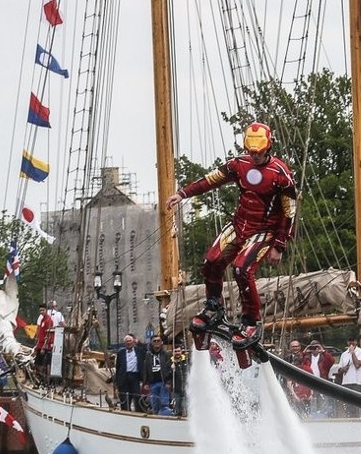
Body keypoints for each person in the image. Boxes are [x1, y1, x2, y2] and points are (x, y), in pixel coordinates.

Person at [166, 122, 296, 346]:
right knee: (211, 262)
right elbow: (211, 179)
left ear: (268, 147)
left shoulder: (280, 174)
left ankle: (251, 320)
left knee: (242, 269)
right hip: (239, 225)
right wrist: (183, 193)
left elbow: (289, 212)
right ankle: (213, 306)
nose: (254, 156)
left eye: (259, 152)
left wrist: (279, 245)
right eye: (250, 151)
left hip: (265, 230)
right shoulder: (239, 165)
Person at [114, 333, 146, 411]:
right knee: (124, 398)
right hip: (124, 377)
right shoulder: (120, 353)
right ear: (125, 343)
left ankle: (139, 412)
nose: (129, 343)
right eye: (127, 341)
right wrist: (117, 380)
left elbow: (146, 349)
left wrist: (138, 342)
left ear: (133, 341)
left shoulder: (139, 351)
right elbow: (118, 367)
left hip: (135, 376)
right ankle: (125, 412)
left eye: (130, 341)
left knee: (137, 396)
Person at [143, 334, 173, 415]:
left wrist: (168, 382)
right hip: (152, 382)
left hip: (163, 381)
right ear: (151, 343)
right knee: (154, 403)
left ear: (161, 342)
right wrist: (145, 382)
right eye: (154, 341)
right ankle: (155, 415)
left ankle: (164, 417)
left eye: (158, 341)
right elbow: (145, 368)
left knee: (164, 402)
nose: (156, 342)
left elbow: (169, 368)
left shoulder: (166, 354)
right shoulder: (148, 354)